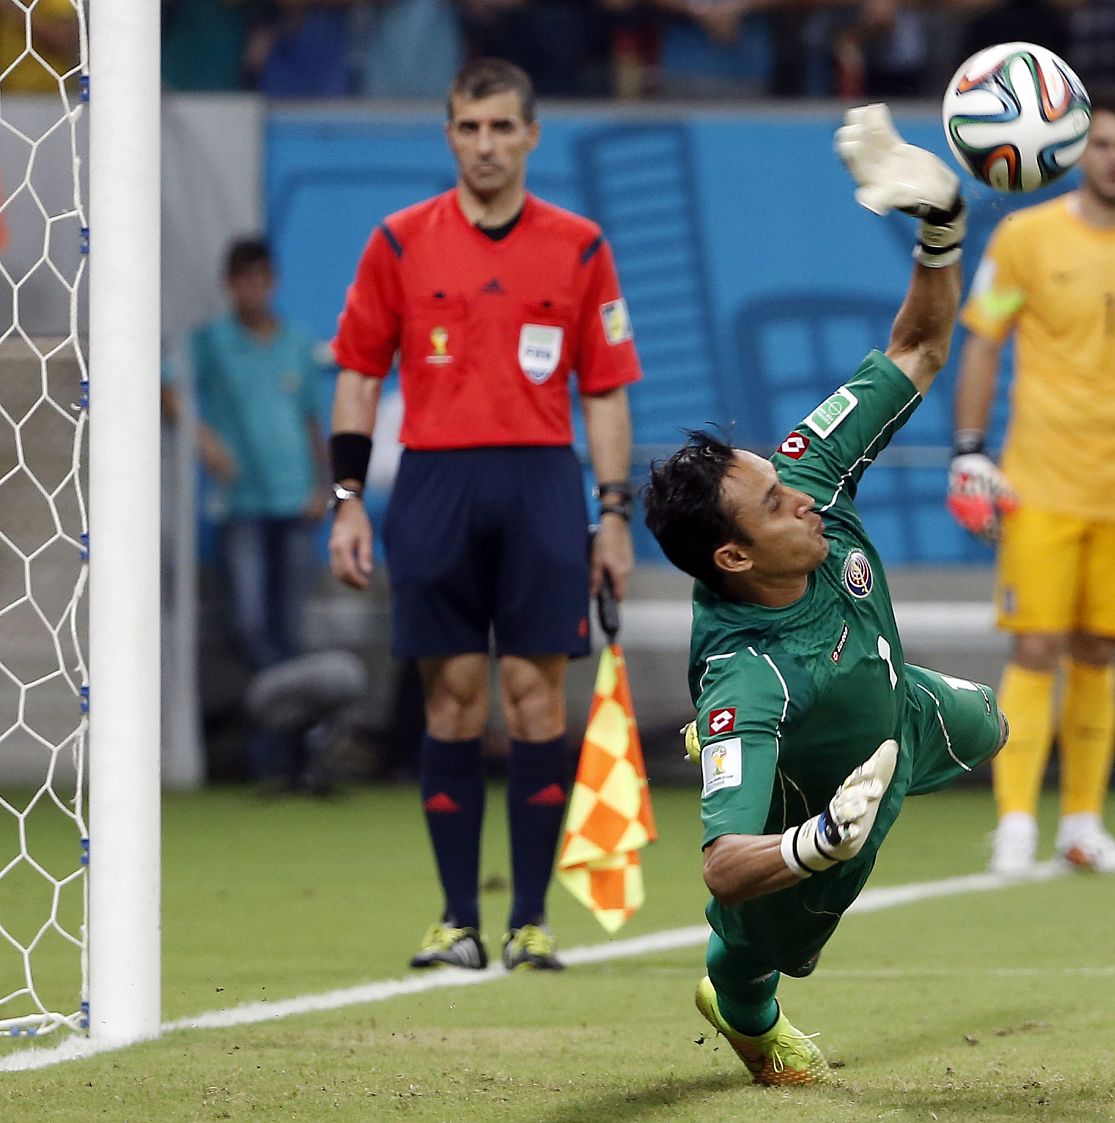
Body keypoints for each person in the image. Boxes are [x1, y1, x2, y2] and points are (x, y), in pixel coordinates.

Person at [642, 105, 1006, 1085]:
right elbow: (722, 859)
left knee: (989, 723)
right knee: (762, 954)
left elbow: (920, 350)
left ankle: (910, 716)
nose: (800, 494)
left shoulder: (807, 475)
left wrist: (940, 227)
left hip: (896, 711)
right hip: (821, 809)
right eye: (771, 500)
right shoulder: (747, 679)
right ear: (731, 560)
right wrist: (812, 842)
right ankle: (743, 1009)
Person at [325, 58, 642, 973]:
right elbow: (358, 371)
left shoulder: (580, 246)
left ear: (532, 134)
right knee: (453, 699)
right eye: (469, 128)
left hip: (543, 484)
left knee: (536, 699)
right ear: (449, 134)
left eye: (503, 127)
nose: (486, 145)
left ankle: (531, 920)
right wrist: (349, 500)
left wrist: (612, 515)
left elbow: (608, 393)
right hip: (433, 486)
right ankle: (457, 920)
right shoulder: (399, 241)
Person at [948, 87, 1115, 877]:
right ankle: (1012, 823)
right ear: (1076, 152)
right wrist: (971, 450)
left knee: (1101, 650)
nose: (1114, 155)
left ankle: (1083, 823)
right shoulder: (1025, 236)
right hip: (1040, 478)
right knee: (1036, 644)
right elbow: (981, 342)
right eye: (1101, 142)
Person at [160, 237, 328, 786]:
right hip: (242, 505)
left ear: (271, 281)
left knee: (287, 626)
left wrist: (324, 486)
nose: (251, 288)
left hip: (294, 501)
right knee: (249, 625)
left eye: (260, 277)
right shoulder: (211, 343)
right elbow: (167, 384)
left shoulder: (298, 344)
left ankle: (277, 755)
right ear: (229, 284)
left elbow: (312, 421)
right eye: (241, 279)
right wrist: (203, 438)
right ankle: (293, 732)